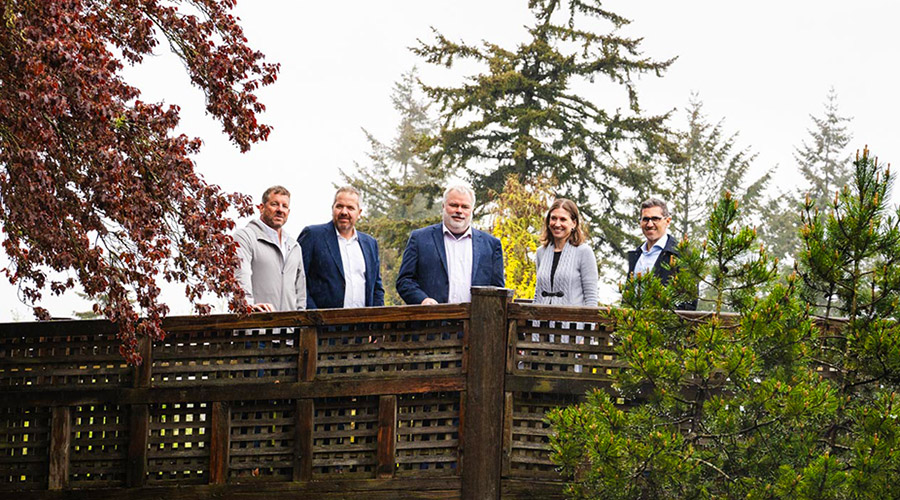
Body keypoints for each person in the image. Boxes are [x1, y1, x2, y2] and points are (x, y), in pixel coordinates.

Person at [396, 184, 505, 304]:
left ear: (472, 210)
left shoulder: (491, 245)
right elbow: (404, 281)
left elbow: (498, 290)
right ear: (443, 206)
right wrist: (423, 300)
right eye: (453, 205)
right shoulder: (420, 239)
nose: (459, 211)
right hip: (431, 320)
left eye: (465, 207)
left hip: (475, 321)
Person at [298, 186, 384, 309]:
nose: (344, 212)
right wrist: (314, 316)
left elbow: (376, 287)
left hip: (363, 324)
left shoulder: (370, 243)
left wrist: (378, 320)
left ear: (359, 213)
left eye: (350, 208)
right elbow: (298, 280)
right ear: (332, 209)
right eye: (339, 206)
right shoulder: (313, 235)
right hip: (322, 324)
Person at [234, 185, 306, 312]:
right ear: (261, 208)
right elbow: (240, 276)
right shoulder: (245, 237)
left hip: (289, 328)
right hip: (256, 326)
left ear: (288, 212)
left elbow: (300, 291)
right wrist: (247, 306)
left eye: (284, 206)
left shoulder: (294, 247)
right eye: (274, 204)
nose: (280, 210)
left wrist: (301, 323)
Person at [626, 197, 696, 310]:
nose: (649, 224)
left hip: (665, 325)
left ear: (667, 221)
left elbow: (688, 303)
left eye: (655, 219)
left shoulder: (681, 255)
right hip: (634, 325)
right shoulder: (637, 255)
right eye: (645, 219)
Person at [533, 199, 598, 306]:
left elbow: (591, 298)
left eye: (563, 219)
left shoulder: (584, 252)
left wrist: (589, 322)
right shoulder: (541, 252)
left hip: (572, 321)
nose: (557, 224)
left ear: (574, 223)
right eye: (553, 218)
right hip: (540, 320)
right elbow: (538, 292)